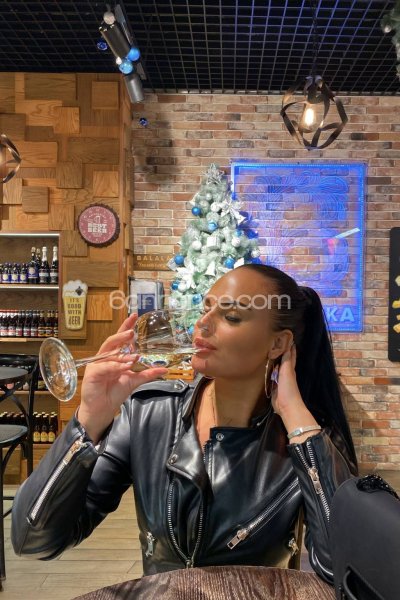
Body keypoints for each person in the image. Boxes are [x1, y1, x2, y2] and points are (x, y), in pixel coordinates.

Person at [11, 264, 357, 583]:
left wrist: (295, 415)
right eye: (205, 308)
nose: (202, 324)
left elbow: (339, 568)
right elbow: (33, 539)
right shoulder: (150, 414)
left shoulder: (307, 440)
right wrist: (89, 418)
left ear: (278, 343)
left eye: (231, 316)